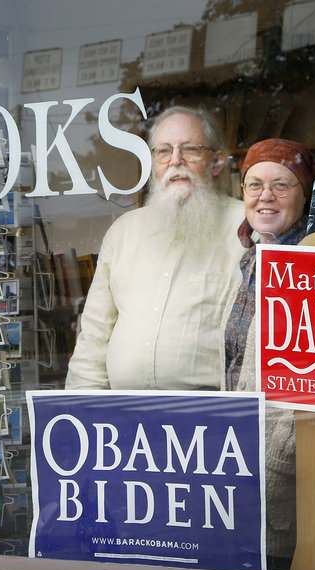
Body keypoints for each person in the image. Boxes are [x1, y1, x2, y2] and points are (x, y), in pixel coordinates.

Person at [64, 106, 245, 390]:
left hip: (212, 422)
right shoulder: (124, 232)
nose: (175, 161)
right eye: (163, 151)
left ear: (217, 162)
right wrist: (81, 411)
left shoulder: (247, 230)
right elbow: (94, 340)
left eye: (190, 149)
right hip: (123, 420)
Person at [220, 138, 315, 570]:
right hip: (237, 467)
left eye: (282, 185)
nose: (265, 196)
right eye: (254, 184)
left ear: (306, 193)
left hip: (284, 475)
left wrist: (283, 449)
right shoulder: (250, 259)